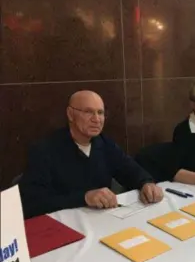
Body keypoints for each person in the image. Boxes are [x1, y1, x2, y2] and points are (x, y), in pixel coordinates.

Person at [19, 90, 164, 219]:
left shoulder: (104, 143)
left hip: (101, 222)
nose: (96, 119)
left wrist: (146, 182)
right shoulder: (44, 150)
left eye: (100, 113)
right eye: (88, 112)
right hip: (63, 227)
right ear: (70, 114)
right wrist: (84, 198)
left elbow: (129, 169)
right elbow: (32, 204)